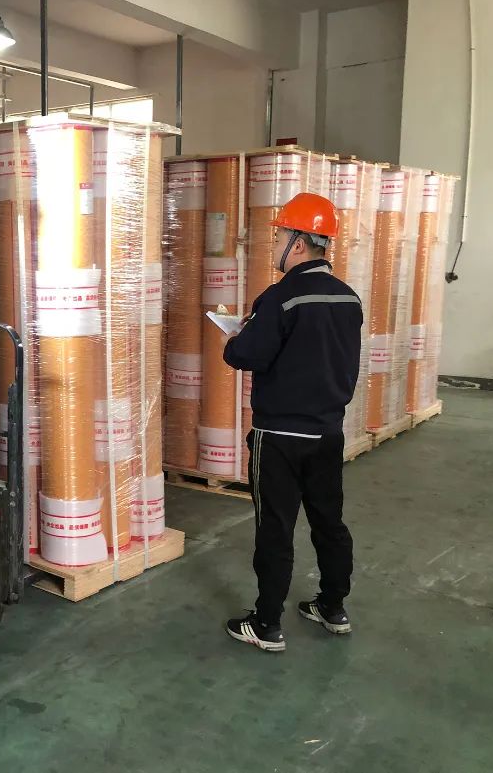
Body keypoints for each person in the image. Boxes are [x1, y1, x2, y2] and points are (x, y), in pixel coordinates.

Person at [221, 192, 363, 652]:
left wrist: (235, 338)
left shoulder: (280, 297)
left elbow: (246, 355)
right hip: (327, 433)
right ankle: (333, 607)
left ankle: (267, 625)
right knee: (329, 522)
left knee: (276, 529)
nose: (275, 244)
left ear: (299, 243)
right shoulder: (348, 298)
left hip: (279, 436)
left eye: (279, 236)